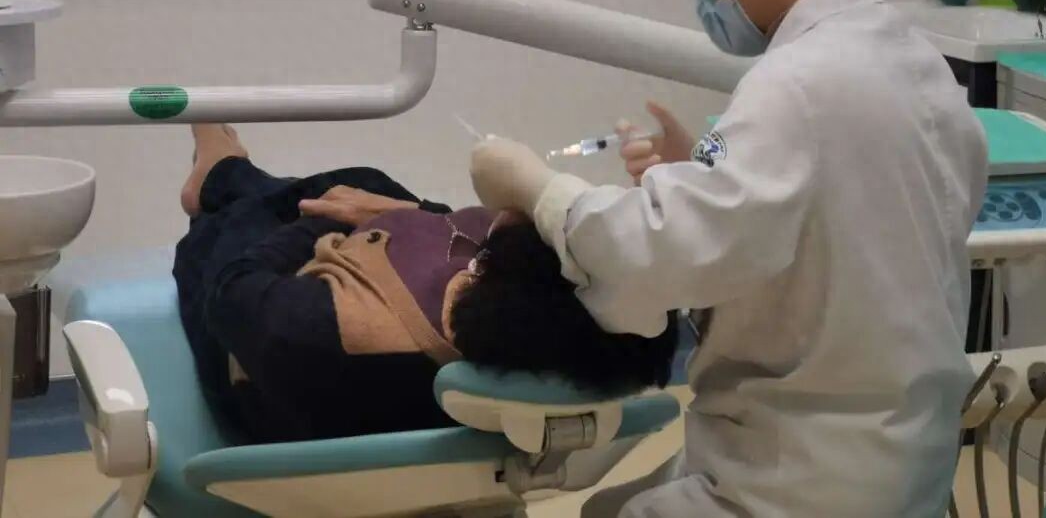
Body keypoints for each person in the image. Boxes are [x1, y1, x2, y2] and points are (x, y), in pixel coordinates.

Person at [469, 0, 988, 517]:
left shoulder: (795, 84)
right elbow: (830, 226)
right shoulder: (914, 63)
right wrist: (699, 173)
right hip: (904, 462)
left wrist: (536, 188)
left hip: (802, 482)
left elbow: (655, 257)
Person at [174, 124, 677, 445]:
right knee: (367, 182)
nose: (505, 212)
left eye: (524, 216)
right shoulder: (564, 316)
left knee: (240, 220)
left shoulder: (336, 333)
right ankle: (232, 175)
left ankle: (221, 176)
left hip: (253, 342)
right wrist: (412, 214)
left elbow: (233, 291)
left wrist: (327, 225)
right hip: (373, 298)